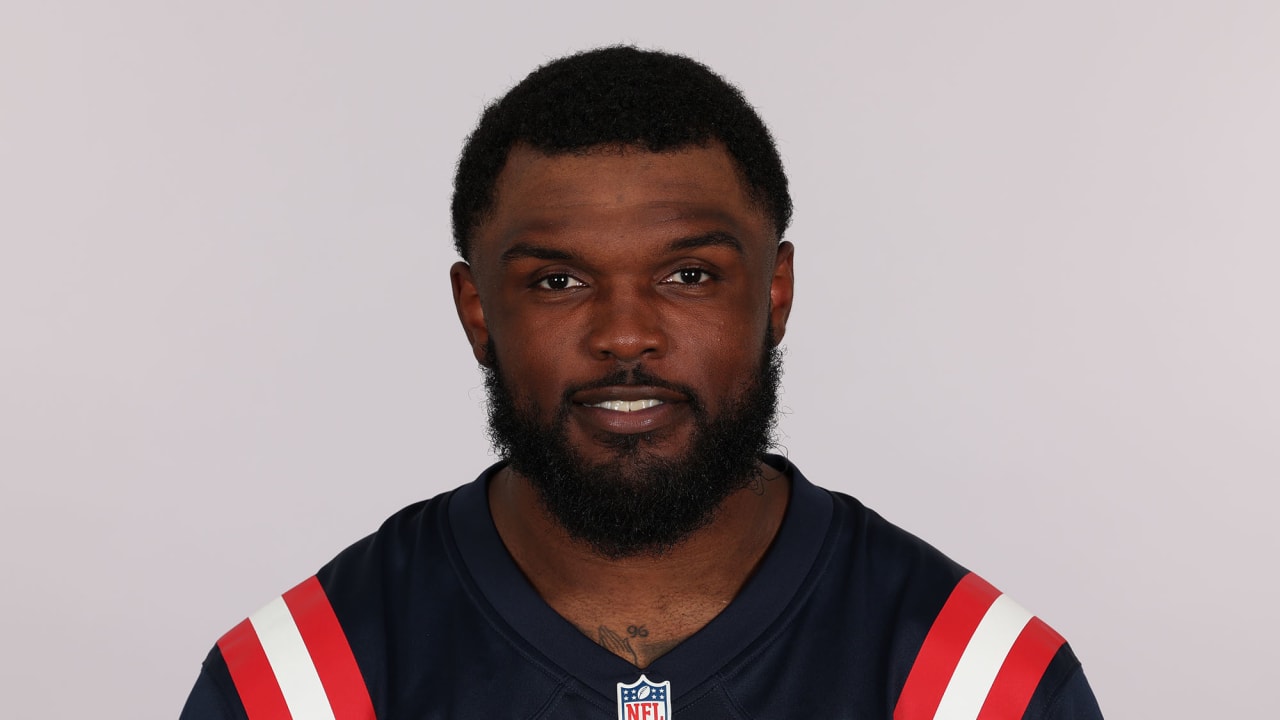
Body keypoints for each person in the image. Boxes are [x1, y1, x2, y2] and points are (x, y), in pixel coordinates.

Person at [180, 46, 1103, 720]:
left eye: (689, 275)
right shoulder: (300, 687)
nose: (625, 334)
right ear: (476, 311)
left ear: (774, 292)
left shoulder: (978, 687)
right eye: (558, 281)